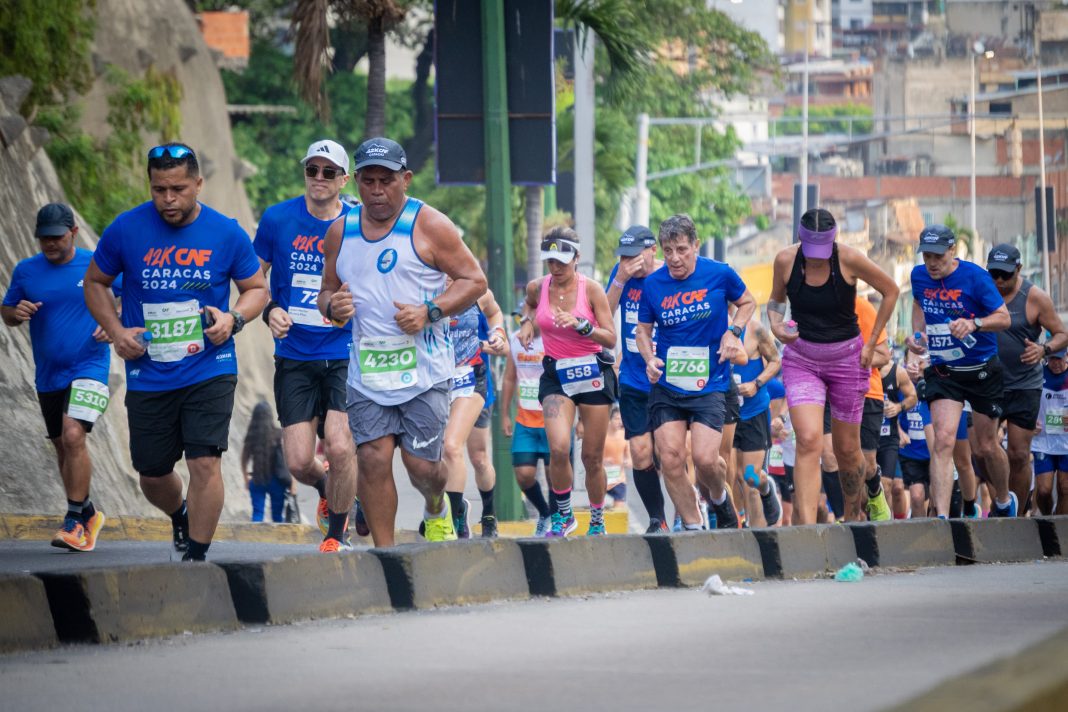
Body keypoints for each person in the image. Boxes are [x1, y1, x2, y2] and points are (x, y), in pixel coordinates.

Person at [84, 143, 268, 561]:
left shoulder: (226, 233)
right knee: (151, 474)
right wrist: (116, 331)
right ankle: (179, 513)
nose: (168, 199)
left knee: (204, 462)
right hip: (148, 371)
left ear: (198, 184)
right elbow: (95, 282)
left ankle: (196, 559)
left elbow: (257, 289)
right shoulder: (126, 229)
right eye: (159, 189)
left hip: (209, 366)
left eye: (178, 189)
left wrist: (233, 319)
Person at [319, 137, 487, 546]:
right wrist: (333, 306)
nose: (377, 190)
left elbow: (474, 281)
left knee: (421, 466)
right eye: (369, 181)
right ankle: (387, 558)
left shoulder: (429, 224)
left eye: (387, 181)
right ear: (355, 181)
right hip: (368, 374)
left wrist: (429, 311)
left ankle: (437, 506)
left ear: (406, 179)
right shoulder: (340, 232)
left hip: (424, 374)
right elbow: (326, 293)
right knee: (372, 459)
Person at [253, 139, 359, 551]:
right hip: (295, 354)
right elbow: (252, 278)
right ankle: (330, 488)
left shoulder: (357, 223)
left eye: (328, 172)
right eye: (312, 170)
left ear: (343, 180)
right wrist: (270, 310)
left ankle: (337, 533)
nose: (319, 178)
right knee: (298, 461)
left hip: (345, 351)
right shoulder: (278, 219)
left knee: (339, 443)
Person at [767, 207, 900, 525]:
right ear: (800, 239)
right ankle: (807, 529)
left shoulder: (849, 259)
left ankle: (853, 517)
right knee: (808, 440)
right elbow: (776, 301)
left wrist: (872, 343)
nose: (817, 259)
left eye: (822, 251)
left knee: (847, 449)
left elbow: (891, 291)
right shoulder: (785, 260)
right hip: (802, 359)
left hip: (846, 361)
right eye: (811, 251)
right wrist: (775, 325)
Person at [2, 203, 117, 552]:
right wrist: (15, 312)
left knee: (73, 435)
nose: (50, 243)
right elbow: (7, 311)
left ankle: (74, 521)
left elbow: (129, 296)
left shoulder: (95, 264)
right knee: (61, 445)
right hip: (49, 374)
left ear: (74, 233)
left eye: (57, 237)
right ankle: (89, 513)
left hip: (91, 366)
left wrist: (114, 321)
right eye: (44, 238)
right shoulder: (26, 270)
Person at [635, 214, 756, 530]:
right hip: (668, 383)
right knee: (670, 458)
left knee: (705, 460)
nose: (674, 258)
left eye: (681, 249)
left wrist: (733, 332)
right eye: (668, 251)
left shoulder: (720, 273)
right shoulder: (653, 284)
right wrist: (649, 359)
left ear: (696, 246)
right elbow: (642, 330)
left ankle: (719, 498)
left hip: (710, 382)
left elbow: (747, 302)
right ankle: (692, 526)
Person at [905, 224, 1014, 518]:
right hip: (944, 371)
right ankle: (942, 518)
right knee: (943, 441)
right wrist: (917, 336)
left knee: (986, 447)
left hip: (981, 370)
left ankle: (1004, 499)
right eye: (927, 256)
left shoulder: (976, 277)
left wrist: (975, 323)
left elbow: (1004, 318)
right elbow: (918, 304)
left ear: (952, 251)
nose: (932, 263)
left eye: (938, 256)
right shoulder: (918, 276)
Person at [518, 227, 617, 537]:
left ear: (576, 257)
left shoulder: (592, 290)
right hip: (557, 375)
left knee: (592, 457)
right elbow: (529, 304)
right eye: (550, 261)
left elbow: (610, 338)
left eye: (562, 261)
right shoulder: (538, 287)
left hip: (592, 373)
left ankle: (597, 519)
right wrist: (526, 322)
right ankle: (564, 515)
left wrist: (581, 325)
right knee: (559, 448)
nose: (556, 267)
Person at [986, 243, 1068, 512]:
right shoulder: (982, 292)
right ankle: (1002, 500)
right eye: (994, 273)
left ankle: (1016, 515)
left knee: (1019, 455)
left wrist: (1044, 349)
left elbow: (1062, 334)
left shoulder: (1035, 297)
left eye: (1005, 274)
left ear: (1018, 269)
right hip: (989, 383)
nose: (999, 280)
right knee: (983, 451)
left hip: (1024, 385)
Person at [605, 225, 669, 532]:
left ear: (653, 250)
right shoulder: (621, 275)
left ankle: (691, 511)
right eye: (625, 256)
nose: (631, 261)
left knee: (670, 454)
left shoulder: (669, 274)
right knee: (641, 453)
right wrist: (620, 278)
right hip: (633, 378)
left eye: (636, 255)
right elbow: (604, 315)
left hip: (668, 380)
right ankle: (658, 519)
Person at [441, 289, 507, 538]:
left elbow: (495, 313)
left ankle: (488, 513)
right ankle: (456, 510)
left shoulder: (475, 292)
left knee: (477, 456)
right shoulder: (424, 288)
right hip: (439, 383)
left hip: (473, 381)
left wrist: (496, 335)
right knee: (441, 455)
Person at [501, 310, 554, 535]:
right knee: (523, 474)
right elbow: (509, 378)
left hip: (553, 419)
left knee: (555, 476)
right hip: (525, 420)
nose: (527, 322)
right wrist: (505, 414)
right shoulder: (516, 340)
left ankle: (559, 519)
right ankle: (545, 513)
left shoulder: (554, 339)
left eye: (531, 318)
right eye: (524, 318)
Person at [733, 314, 783, 527]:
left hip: (754, 412)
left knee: (750, 477)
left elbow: (776, 361)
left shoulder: (755, 329)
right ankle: (740, 527)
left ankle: (766, 488)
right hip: (725, 412)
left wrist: (756, 383)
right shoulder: (709, 324)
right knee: (731, 477)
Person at [854, 295, 893, 521]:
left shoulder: (861, 306)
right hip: (832, 394)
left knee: (867, 465)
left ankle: (875, 492)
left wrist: (847, 362)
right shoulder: (813, 306)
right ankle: (848, 515)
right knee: (836, 458)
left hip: (867, 392)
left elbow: (884, 355)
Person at [240, 400, 294, 523]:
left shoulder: (251, 437)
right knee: (277, 516)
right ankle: (278, 536)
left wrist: (246, 479)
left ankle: (255, 535)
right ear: (270, 416)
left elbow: (244, 459)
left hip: (257, 480)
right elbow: (288, 459)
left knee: (257, 514)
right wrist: (293, 483)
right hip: (277, 481)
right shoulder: (278, 434)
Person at [878, 355, 918, 519]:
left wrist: (898, 407)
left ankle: (887, 525)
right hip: (865, 436)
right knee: (867, 489)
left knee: (889, 485)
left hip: (889, 437)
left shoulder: (896, 372)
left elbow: (913, 397)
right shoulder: (860, 369)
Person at [1032, 348, 1068, 515]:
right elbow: (1026, 400)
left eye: (1059, 359)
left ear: (1066, 356)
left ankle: (1058, 524)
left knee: (1065, 488)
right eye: (1052, 359)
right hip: (1043, 441)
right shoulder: (1037, 373)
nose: (1055, 363)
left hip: (1066, 442)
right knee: (1044, 491)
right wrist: (1030, 421)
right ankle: (1047, 518)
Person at [898, 352, 935, 517]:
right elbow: (889, 410)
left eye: (920, 361)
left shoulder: (936, 383)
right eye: (911, 361)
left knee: (936, 500)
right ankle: (920, 528)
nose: (915, 365)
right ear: (905, 362)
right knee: (917, 496)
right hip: (911, 453)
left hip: (935, 453)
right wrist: (899, 432)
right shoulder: (900, 385)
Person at [603, 407, 630, 509]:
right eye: (617, 418)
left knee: (618, 508)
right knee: (597, 507)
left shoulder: (625, 435)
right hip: (601, 476)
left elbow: (630, 459)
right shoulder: (601, 434)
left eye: (621, 419)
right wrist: (602, 461)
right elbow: (592, 455)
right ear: (609, 420)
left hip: (618, 478)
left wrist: (627, 461)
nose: (620, 422)